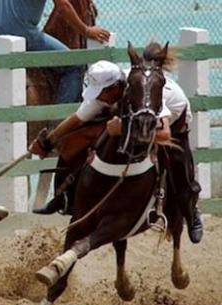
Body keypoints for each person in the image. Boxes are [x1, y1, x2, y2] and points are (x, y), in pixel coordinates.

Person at [29, 53, 204, 243]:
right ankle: (65, 195)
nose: (98, 98)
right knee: (78, 138)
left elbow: (164, 135)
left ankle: (192, 211)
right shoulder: (106, 95)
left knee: (178, 165)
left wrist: (122, 128)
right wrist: (48, 142)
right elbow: (77, 119)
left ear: (115, 88)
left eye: (101, 93)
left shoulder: (145, 92)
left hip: (174, 121)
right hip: (130, 117)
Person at [0, 0, 111, 104]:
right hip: (21, 31)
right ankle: (58, 119)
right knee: (74, 64)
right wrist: (86, 30)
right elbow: (63, 6)